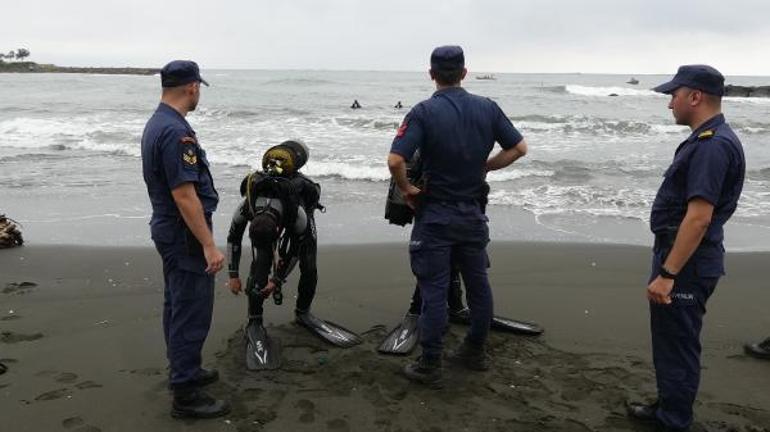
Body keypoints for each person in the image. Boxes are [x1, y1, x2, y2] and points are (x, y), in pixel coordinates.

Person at [387, 45, 528, 387]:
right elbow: (519, 148)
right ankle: (474, 352)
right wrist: (485, 166)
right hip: (472, 213)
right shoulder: (487, 108)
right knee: (478, 285)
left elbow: (395, 161)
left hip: (435, 214)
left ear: (431, 73)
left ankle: (430, 364)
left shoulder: (423, 112)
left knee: (434, 289)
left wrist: (407, 190)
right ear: (464, 72)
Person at [626, 65, 745, 431]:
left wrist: (668, 274)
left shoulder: (713, 146)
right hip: (682, 256)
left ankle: (673, 420)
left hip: (686, 263)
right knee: (671, 340)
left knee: (678, 343)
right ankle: (668, 406)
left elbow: (699, 218)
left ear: (695, 97)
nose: (669, 105)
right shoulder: (707, 139)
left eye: (673, 96)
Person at [141, 60, 229, 418]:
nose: (198, 95)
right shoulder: (177, 133)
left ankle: (184, 369)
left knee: (176, 304)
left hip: (169, 228)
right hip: (184, 234)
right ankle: (185, 394)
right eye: (198, 89)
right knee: (191, 310)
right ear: (192, 87)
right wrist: (208, 244)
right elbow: (184, 195)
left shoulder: (158, 122)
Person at [227, 140, 361, 370]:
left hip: (299, 215)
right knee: (260, 263)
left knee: (309, 266)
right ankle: (255, 321)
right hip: (268, 222)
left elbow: (296, 251)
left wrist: (277, 279)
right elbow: (233, 239)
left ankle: (303, 313)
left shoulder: (297, 214)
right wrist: (233, 274)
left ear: (278, 228)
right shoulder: (246, 206)